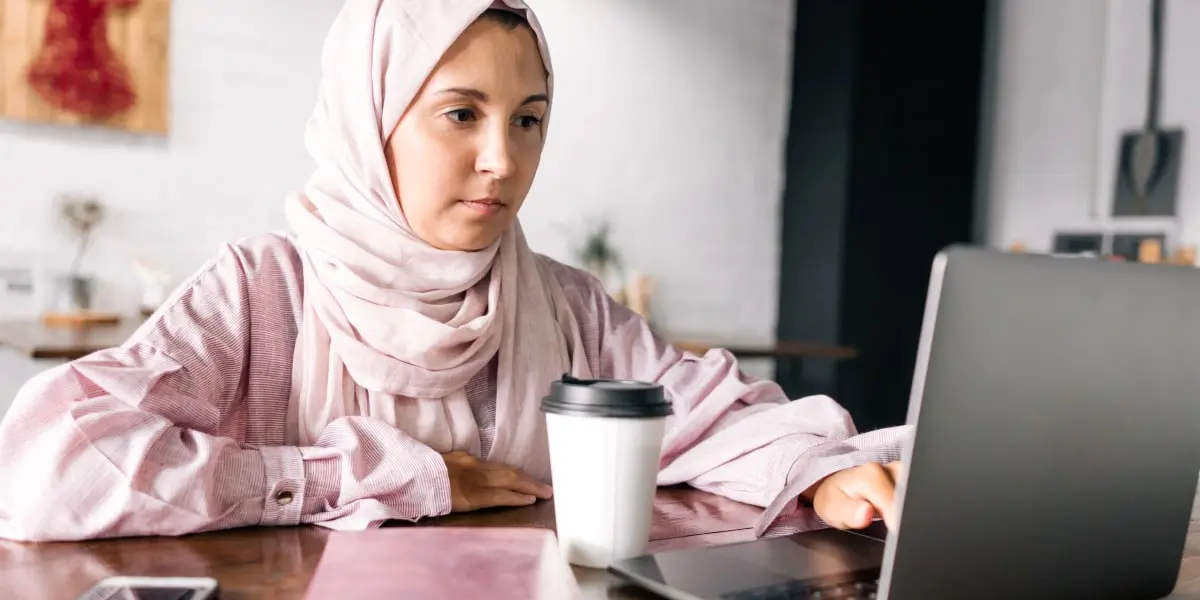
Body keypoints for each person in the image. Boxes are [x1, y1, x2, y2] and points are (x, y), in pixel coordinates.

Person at [0, 0, 907, 543]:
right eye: (460, 113)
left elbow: (709, 414)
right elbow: (43, 470)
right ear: (370, 121)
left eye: (528, 119)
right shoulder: (261, 292)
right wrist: (377, 476)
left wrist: (816, 471)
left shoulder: (565, 306)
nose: (501, 161)